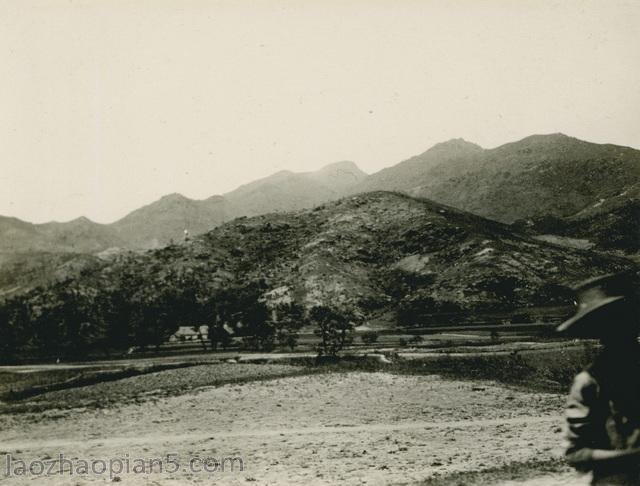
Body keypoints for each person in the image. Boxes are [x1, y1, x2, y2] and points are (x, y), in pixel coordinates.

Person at [559, 272, 640, 485]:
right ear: (600, 331)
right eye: (611, 325)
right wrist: (632, 457)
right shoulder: (590, 383)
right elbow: (577, 454)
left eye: (627, 319)